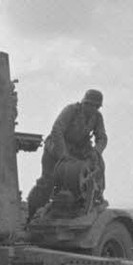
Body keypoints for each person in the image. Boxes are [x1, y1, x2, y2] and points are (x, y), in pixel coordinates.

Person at [27, 89, 108, 218]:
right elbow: (57, 130)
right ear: (84, 103)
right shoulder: (71, 111)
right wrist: (63, 154)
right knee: (47, 183)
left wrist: (96, 151)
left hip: (78, 150)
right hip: (56, 149)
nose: (92, 108)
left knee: (95, 167)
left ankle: (93, 199)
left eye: (95, 106)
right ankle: (31, 215)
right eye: (89, 105)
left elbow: (102, 137)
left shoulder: (97, 117)